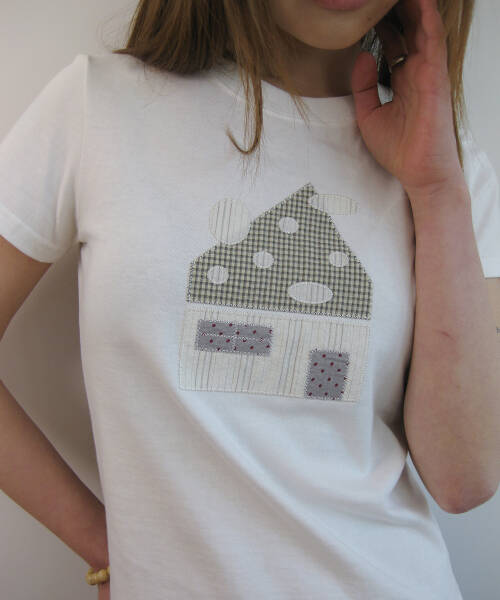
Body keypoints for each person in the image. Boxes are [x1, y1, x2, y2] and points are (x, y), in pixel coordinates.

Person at [0, 0, 499, 598]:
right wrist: (106, 548)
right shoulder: (97, 105)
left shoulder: (444, 159)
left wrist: (437, 189)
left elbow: (464, 481)